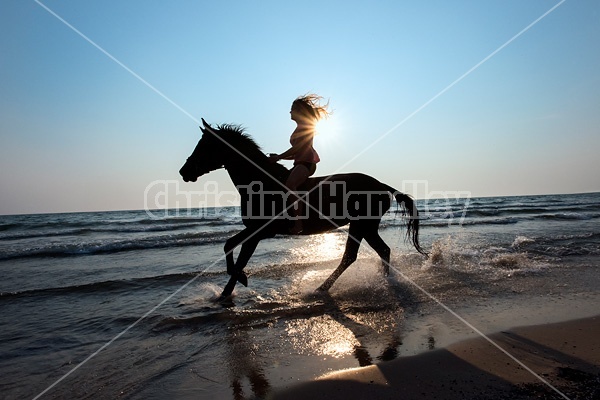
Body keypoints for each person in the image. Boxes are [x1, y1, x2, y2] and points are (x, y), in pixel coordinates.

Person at [269, 94, 330, 234]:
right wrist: (280, 158)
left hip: (306, 163)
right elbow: (296, 153)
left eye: (292, 109)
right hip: (300, 162)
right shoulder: (299, 127)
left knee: (290, 185)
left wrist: (278, 157)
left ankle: (298, 224)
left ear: (299, 111)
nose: (290, 112)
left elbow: (298, 148)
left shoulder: (305, 126)